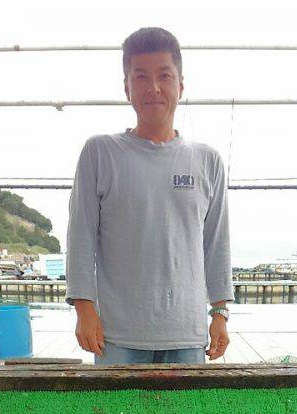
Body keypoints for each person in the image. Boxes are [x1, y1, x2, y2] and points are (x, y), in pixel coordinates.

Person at [66, 27, 233, 365]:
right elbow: (81, 235)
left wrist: (220, 312)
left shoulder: (208, 160)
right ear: (127, 86)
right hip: (115, 337)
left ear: (180, 85)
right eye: (140, 76)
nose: (153, 87)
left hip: (187, 334)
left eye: (164, 76)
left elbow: (216, 244)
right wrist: (84, 308)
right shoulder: (100, 152)